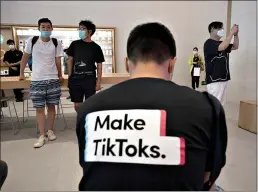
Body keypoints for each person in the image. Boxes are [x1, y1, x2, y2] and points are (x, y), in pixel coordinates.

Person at [76, 22, 228, 191]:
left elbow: (90, 171)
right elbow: (207, 180)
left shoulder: (88, 109)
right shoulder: (206, 107)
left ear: (127, 63)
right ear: (172, 63)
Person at [19, 18, 64, 148]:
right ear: (39, 28)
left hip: (52, 79)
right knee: (39, 108)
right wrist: (21, 73)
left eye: (48, 27)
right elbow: (25, 58)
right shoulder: (32, 41)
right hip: (37, 80)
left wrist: (60, 74)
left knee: (51, 106)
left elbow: (58, 61)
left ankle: (50, 131)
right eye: (43, 27)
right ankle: (42, 135)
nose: (45, 29)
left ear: (52, 28)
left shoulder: (56, 42)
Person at [67, 20, 105, 112]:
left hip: (90, 79)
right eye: (79, 29)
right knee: (77, 105)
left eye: (83, 29)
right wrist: (70, 76)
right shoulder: (74, 44)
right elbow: (70, 60)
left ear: (90, 31)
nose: (80, 31)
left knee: (90, 104)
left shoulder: (96, 47)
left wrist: (98, 82)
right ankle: (81, 120)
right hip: (75, 79)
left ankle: (87, 123)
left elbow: (99, 65)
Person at [204, 21, 239, 105]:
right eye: (220, 28)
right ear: (212, 29)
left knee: (221, 105)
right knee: (214, 105)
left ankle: (219, 118)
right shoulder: (209, 43)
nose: (222, 30)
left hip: (223, 79)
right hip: (214, 80)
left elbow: (235, 46)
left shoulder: (222, 43)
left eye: (222, 28)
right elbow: (222, 47)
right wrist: (231, 33)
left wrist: (236, 35)